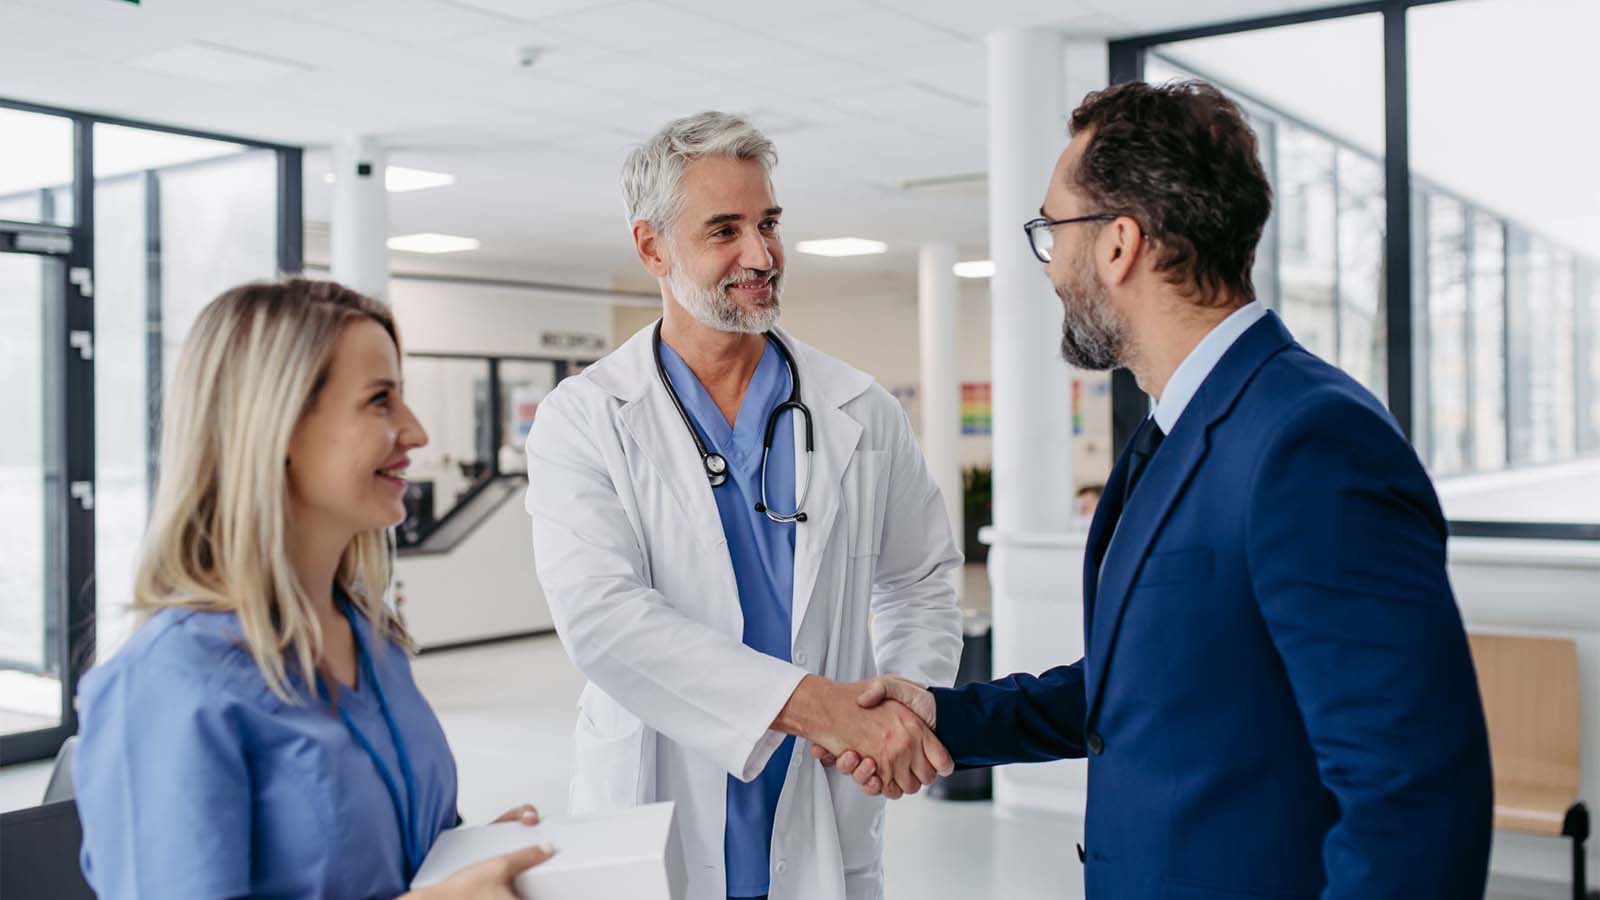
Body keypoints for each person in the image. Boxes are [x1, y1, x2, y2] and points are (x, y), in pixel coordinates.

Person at [829, 81, 1494, 899]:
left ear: (1118, 245)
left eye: (1052, 231)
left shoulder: (1310, 443)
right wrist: (946, 716)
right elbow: (1146, 687)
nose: (1051, 267)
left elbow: (1414, 797)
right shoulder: (1175, 432)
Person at [524, 111, 962, 900]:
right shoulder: (583, 418)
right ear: (652, 246)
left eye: (768, 224)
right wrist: (818, 708)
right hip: (659, 792)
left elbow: (921, 578)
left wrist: (901, 707)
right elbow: (600, 616)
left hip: (826, 784)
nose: (760, 255)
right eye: (724, 230)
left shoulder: (858, 410)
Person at [74, 279, 553, 900]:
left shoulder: (370, 638)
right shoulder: (168, 684)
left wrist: (471, 865)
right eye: (380, 401)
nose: (415, 433)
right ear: (275, 427)